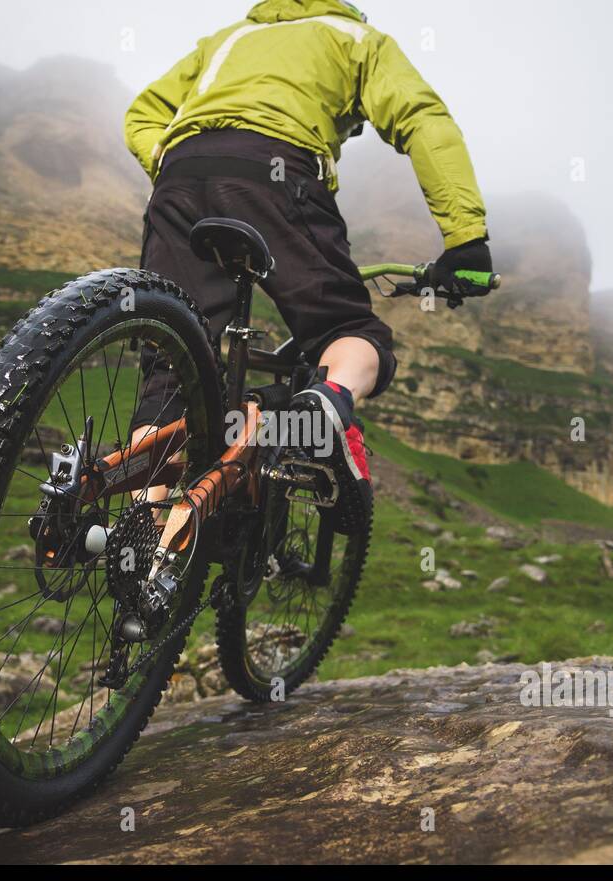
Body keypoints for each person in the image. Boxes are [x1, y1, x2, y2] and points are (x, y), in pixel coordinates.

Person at [124, 0, 490, 523]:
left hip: (180, 177)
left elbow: (141, 113)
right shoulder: (356, 39)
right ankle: (325, 406)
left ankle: (142, 531)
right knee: (347, 327)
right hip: (274, 174)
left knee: (175, 356)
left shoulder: (226, 39)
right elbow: (420, 117)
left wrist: (169, 162)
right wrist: (465, 239)